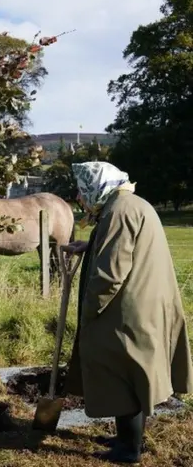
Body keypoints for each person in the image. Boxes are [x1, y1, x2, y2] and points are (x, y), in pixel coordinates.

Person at [63, 161, 193, 464]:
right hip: (143, 302)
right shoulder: (129, 204)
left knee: (122, 371)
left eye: (85, 190)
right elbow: (119, 246)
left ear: (98, 186)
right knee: (133, 372)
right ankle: (127, 437)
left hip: (128, 309)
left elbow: (111, 273)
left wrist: (90, 309)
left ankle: (128, 449)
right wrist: (90, 244)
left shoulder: (119, 211)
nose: (83, 197)